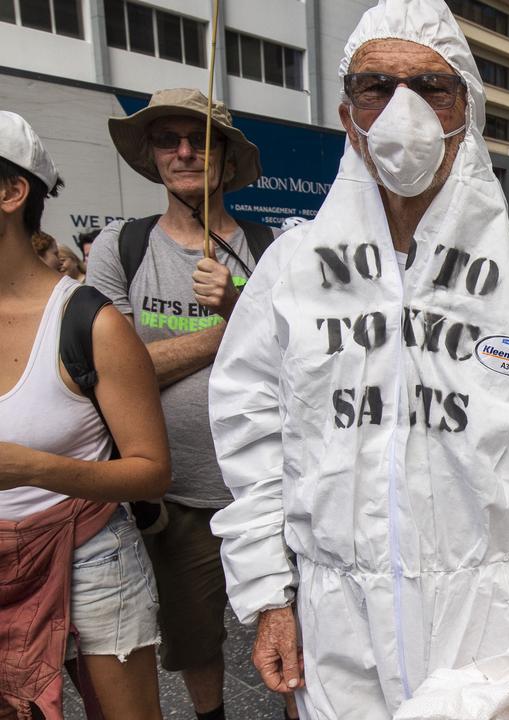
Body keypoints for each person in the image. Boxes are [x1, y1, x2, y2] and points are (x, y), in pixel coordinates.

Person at [206, 2, 509, 717]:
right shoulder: (294, 271)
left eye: (432, 86)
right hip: (341, 620)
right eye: (376, 86)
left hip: (500, 612)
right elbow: (253, 445)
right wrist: (268, 600)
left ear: (464, 108)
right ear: (348, 113)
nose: (402, 108)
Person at [84, 88, 270, 720]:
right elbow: (115, 372)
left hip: (270, 484)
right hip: (178, 489)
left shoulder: (269, 251)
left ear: (226, 160)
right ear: (153, 156)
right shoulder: (122, 247)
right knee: (194, 637)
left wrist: (242, 301)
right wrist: (230, 328)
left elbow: (309, 362)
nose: (186, 153)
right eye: (169, 140)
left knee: (299, 619)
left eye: (202, 140)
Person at [0, 111, 169, 720]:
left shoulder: (89, 321)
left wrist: (30, 468)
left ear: (12, 192)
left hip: (90, 556)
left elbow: (151, 472)